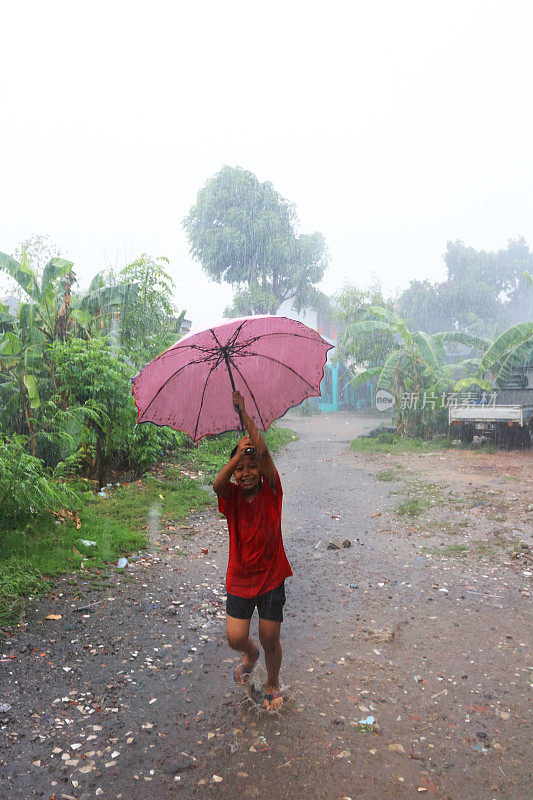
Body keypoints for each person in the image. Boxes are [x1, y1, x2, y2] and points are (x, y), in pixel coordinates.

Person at [213, 390, 293, 711]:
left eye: (252, 466)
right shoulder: (230, 497)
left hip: (272, 575)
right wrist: (238, 456)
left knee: (270, 636)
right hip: (241, 577)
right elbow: (217, 484)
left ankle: (272, 682)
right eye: (241, 468)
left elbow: (263, 451)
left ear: (261, 471)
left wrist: (244, 414)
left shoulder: (272, 490)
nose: (247, 472)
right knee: (235, 636)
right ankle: (250, 654)